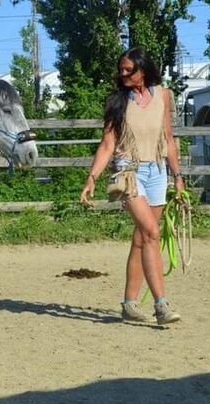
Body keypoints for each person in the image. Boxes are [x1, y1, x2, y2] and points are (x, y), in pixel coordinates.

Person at [80, 47, 183, 325]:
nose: (123, 74)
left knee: (141, 238)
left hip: (158, 171)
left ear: (144, 70)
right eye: (121, 70)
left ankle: (129, 304)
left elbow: (169, 138)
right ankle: (161, 305)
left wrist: (177, 175)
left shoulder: (163, 95)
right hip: (129, 172)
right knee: (151, 232)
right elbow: (107, 144)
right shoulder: (118, 101)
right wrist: (92, 177)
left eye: (129, 70)